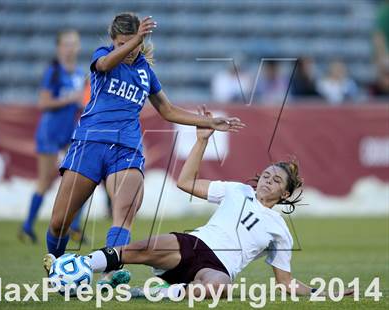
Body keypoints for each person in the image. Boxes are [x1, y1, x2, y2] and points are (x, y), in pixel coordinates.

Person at [42, 13, 244, 287]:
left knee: (124, 212)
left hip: (126, 148)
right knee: (59, 222)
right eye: (123, 43)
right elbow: (103, 64)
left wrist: (209, 122)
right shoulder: (103, 56)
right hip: (90, 143)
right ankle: (57, 266)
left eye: (135, 43)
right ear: (113, 41)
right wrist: (135, 39)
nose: (130, 48)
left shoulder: (145, 72)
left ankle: (110, 275)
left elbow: (168, 110)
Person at [81, 107, 353, 298]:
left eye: (276, 181)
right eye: (266, 175)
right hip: (193, 244)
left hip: (217, 267)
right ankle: (79, 266)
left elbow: (286, 283)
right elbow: (185, 182)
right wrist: (201, 141)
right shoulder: (237, 190)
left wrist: (327, 292)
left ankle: (159, 293)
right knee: (141, 248)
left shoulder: (279, 230)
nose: (268, 181)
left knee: (220, 288)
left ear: (284, 194)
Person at [18, 29, 86, 244]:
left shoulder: (79, 73)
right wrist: (72, 98)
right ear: (59, 47)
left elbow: (81, 102)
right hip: (50, 132)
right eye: (66, 44)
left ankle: (74, 226)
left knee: (82, 176)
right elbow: (44, 103)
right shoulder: (53, 72)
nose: (70, 48)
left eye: (73, 43)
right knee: (46, 181)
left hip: (69, 131)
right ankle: (27, 226)